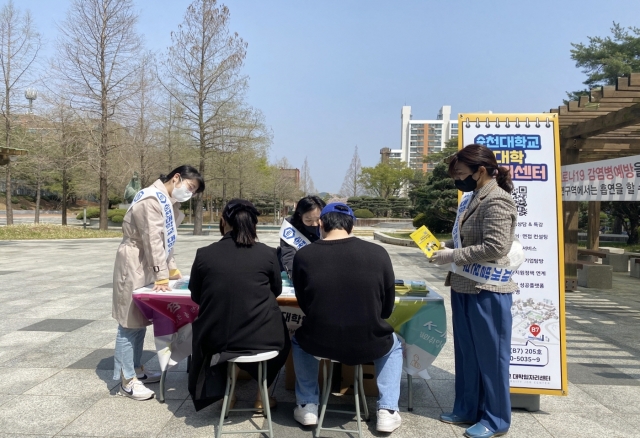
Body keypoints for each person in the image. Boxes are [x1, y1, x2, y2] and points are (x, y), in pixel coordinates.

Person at [290, 203, 403, 434]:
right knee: (393, 344)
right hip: (368, 342)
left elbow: (304, 303)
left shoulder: (304, 255)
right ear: (352, 224)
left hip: (319, 341)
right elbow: (387, 306)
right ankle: (387, 411)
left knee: (299, 340)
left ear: (321, 223)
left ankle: (307, 405)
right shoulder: (378, 253)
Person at [431, 144, 519, 438]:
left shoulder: (498, 200)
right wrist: (448, 248)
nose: (457, 180)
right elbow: (471, 239)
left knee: (491, 357)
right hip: (464, 285)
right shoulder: (471, 199)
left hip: (488, 288)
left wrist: (453, 256)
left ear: (480, 171)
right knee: (467, 352)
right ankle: (467, 407)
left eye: (460, 174)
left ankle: (495, 420)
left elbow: (496, 247)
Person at [188, 199, 291, 412]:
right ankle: (262, 397)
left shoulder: (204, 254)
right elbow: (277, 291)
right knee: (282, 339)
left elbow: (197, 295)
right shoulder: (268, 254)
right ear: (254, 225)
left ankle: (229, 395)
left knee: (226, 341)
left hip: (217, 337)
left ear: (223, 221)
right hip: (264, 338)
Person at [112, 165, 204, 401]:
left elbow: (166, 242)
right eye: (190, 187)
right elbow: (152, 240)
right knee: (129, 320)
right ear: (177, 178)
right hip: (135, 260)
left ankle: (137, 370)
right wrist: (161, 275)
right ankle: (126, 380)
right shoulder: (151, 199)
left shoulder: (169, 203)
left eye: (193, 192)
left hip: (149, 262)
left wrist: (170, 269)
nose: (189, 194)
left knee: (140, 320)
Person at [278, 195, 326, 278]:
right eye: (308, 220)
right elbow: (288, 254)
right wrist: (295, 276)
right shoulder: (290, 226)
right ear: (300, 215)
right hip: (300, 267)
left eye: (318, 220)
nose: (314, 224)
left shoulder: (328, 222)